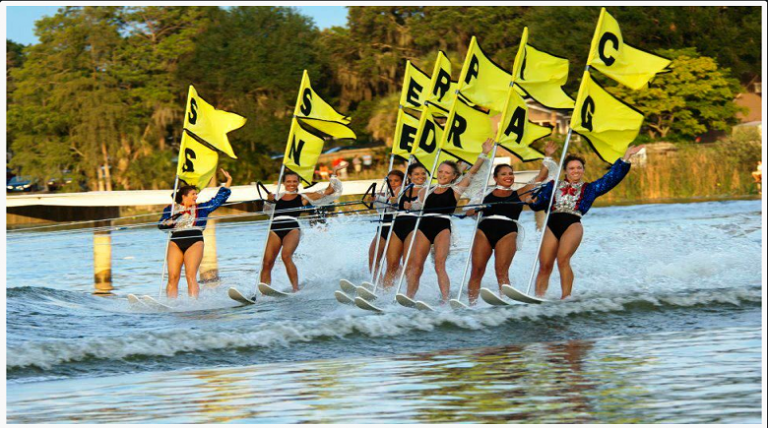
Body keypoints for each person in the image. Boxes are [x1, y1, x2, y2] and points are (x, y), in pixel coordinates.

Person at [529, 145, 644, 299]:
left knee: (562, 259)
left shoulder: (590, 188)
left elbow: (611, 178)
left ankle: (566, 298)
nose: (575, 171)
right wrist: (532, 201)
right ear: (565, 171)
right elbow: (539, 203)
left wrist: (626, 157)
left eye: (579, 168)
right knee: (545, 265)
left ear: (583, 170)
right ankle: (538, 297)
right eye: (571, 168)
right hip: (552, 224)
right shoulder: (553, 185)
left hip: (572, 224)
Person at [464, 141, 558, 304]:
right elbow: (468, 211)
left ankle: (505, 299)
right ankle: (471, 303)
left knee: (501, 271)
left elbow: (541, 177)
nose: (508, 176)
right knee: (476, 271)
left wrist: (548, 155)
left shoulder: (520, 193)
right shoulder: (484, 193)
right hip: (484, 230)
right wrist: (475, 208)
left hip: (507, 231)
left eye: (510, 174)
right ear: (495, 178)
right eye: (504, 174)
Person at [404, 139, 495, 303]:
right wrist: (409, 205)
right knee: (416, 266)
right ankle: (409, 298)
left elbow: (472, 172)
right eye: (440, 171)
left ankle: (445, 300)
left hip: (442, 228)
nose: (442, 175)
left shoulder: (456, 190)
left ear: (454, 176)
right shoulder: (427, 190)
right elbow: (417, 206)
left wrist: (484, 153)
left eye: (447, 173)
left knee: (439, 265)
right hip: (423, 227)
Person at [260, 165, 344, 292]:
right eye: (288, 181)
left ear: (298, 183)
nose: (292, 184)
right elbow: (267, 212)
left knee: (286, 256)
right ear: (283, 183)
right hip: (275, 228)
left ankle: (295, 289)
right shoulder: (275, 197)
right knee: (267, 262)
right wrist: (269, 201)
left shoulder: (303, 197)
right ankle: (264, 292)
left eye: (294, 181)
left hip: (292, 228)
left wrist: (333, 173)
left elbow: (329, 191)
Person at [158, 169, 232, 299]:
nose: (196, 196)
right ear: (184, 196)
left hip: (195, 241)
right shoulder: (170, 209)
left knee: (190, 275)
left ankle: (193, 304)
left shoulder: (202, 208)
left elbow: (218, 200)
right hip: (175, 241)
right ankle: (170, 304)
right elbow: (161, 225)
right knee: (173, 277)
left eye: (196, 194)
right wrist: (172, 219)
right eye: (193, 194)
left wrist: (228, 182)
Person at [380, 163, 428, 289]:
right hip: (397, 227)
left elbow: (423, 206)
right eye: (417, 174)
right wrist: (387, 201)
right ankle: (385, 294)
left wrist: (412, 206)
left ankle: (409, 294)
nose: (421, 176)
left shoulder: (429, 190)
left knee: (408, 265)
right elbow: (389, 206)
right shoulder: (399, 190)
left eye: (423, 173)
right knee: (392, 264)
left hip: (415, 228)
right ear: (410, 176)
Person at [366, 170, 404, 277]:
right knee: (373, 259)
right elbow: (383, 203)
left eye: (396, 181)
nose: (392, 183)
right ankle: (377, 286)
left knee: (392, 263)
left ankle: (390, 288)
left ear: (403, 182)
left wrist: (377, 198)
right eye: (390, 180)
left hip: (396, 230)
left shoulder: (403, 192)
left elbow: (392, 203)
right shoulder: (385, 193)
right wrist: (373, 198)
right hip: (383, 228)